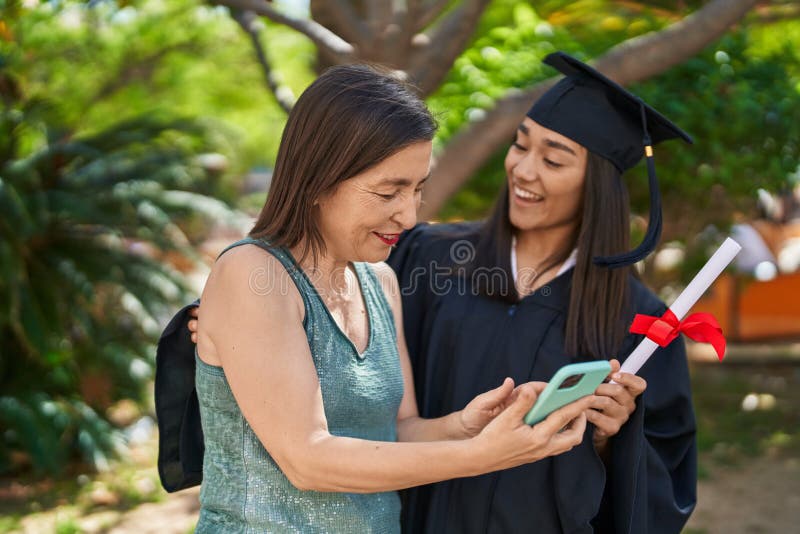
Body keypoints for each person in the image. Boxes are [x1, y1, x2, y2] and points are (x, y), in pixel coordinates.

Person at [183, 53, 697, 533]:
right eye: (390, 192)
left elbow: (395, 429)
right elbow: (307, 457)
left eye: (418, 189)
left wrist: (466, 426)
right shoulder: (266, 273)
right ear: (321, 177)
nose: (409, 216)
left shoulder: (378, 279)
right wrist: (482, 455)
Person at [386, 52, 697, 534]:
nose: (524, 170)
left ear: (596, 186)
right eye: (520, 145)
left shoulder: (639, 323)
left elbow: (663, 488)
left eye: (553, 159)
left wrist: (611, 442)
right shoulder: (431, 258)